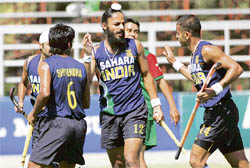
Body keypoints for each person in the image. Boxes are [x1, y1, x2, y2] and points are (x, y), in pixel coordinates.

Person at [82, 4, 164, 168]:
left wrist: (156, 105)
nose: (122, 27)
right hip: (109, 114)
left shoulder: (135, 46)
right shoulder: (96, 52)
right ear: (104, 26)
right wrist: (86, 55)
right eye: (116, 24)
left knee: (131, 159)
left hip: (135, 111)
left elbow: (147, 75)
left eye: (122, 23)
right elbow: (87, 79)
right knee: (118, 164)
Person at [163, 14, 250, 168]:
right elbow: (197, 79)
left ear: (187, 34)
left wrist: (214, 90)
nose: (176, 36)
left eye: (178, 33)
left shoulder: (207, 49)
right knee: (241, 164)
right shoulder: (195, 54)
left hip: (220, 112)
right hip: (220, 113)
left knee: (196, 160)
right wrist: (174, 63)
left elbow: (236, 68)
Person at [27, 23, 90, 168]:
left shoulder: (46, 64)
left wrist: (33, 113)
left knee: (34, 165)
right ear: (69, 44)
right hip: (79, 126)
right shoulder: (80, 67)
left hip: (57, 123)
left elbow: (44, 93)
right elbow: (86, 103)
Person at [124, 18, 180, 168]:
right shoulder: (115, 55)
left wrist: (172, 107)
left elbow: (161, 82)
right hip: (123, 112)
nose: (132, 34)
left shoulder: (146, 55)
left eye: (135, 32)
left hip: (142, 111)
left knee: (137, 157)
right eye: (129, 30)